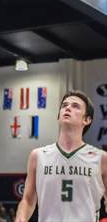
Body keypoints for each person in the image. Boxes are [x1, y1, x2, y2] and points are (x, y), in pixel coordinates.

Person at [15, 90, 107, 222]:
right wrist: (20, 219)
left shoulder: (101, 159)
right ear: (58, 116)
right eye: (64, 105)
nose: (68, 108)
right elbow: (28, 200)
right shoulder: (38, 156)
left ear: (87, 119)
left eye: (75, 106)